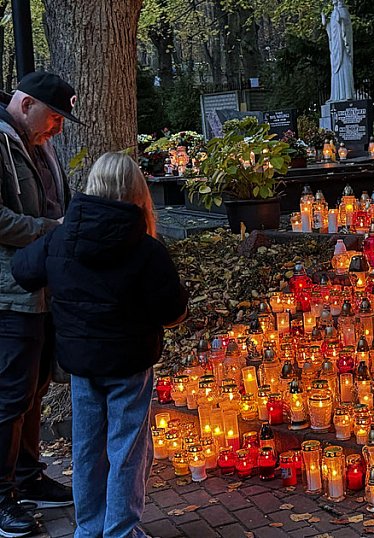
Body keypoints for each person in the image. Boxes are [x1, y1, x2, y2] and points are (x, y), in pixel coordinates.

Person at [11, 152, 188, 538]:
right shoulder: (146, 249)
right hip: (129, 364)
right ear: (136, 191)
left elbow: (22, 270)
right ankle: (120, 530)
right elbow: (172, 310)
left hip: (81, 364)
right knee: (127, 447)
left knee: (88, 446)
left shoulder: (61, 239)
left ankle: (89, 528)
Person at [0, 71, 79, 537]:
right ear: (26, 104)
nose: (58, 128)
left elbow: (55, 203)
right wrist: (55, 231)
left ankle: (28, 477)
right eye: (54, 116)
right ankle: (2, 495)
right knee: (10, 395)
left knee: (35, 389)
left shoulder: (37, 145)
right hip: (11, 293)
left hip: (46, 287)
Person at [322, 0, 355, 102]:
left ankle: (347, 94)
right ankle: (336, 96)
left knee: (345, 67)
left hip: (343, 49)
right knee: (336, 72)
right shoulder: (333, 14)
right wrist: (325, 23)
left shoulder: (343, 11)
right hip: (336, 49)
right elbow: (332, 32)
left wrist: (341, 20)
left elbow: (346, 28)